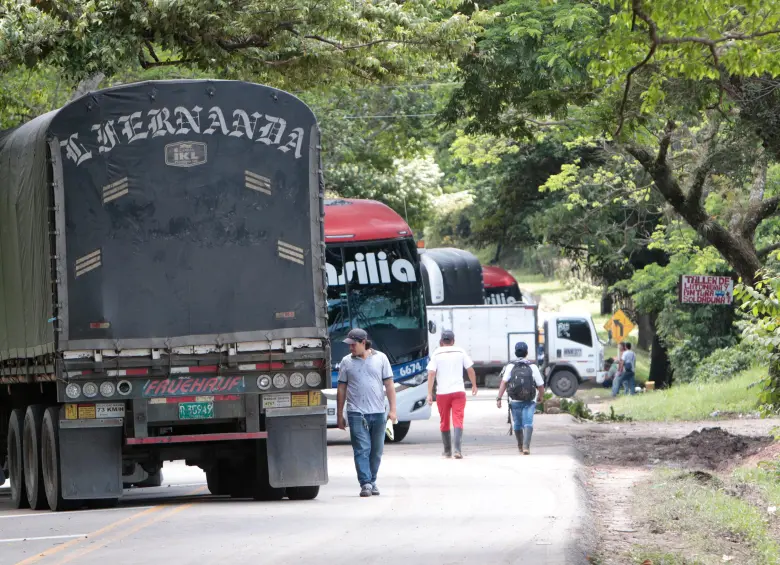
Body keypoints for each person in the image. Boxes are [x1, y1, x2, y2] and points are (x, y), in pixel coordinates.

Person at [336, 328, 397, 498]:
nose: (350, 348)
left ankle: (372, 480)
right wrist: (339, 414)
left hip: (378, 413)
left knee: (376, 451)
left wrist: (392, 410)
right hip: (356, 413)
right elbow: (341, 389)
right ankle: (365, 483)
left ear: (364, 343)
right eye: (349, 345)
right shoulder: (346, 362)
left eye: (353, 345)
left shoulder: (381, 358)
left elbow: (389, 385)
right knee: (362, 449)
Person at [426, 329, 478, 459]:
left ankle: (447, 450)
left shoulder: (436, 353)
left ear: (441, 341)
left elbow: (431, 373)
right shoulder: (460, 351)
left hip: (442, 393)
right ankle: (457, 450)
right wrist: (474, 385)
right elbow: (470, 369)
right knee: (458, 419)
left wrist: (429, 393)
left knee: (444, 421)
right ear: (453, 341)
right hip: (458, 392)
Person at [496, 341, 545, 455]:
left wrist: (499, 398)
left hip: (515, 400)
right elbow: (540, 385)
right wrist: (540, 396)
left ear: (515, 352)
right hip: (529, 400)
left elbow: (504, 383)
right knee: (528, 422)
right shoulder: (532, 366)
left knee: (517, 423)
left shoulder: (510, 366)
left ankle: (520, 446)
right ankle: (526, 446)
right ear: (527, 352)